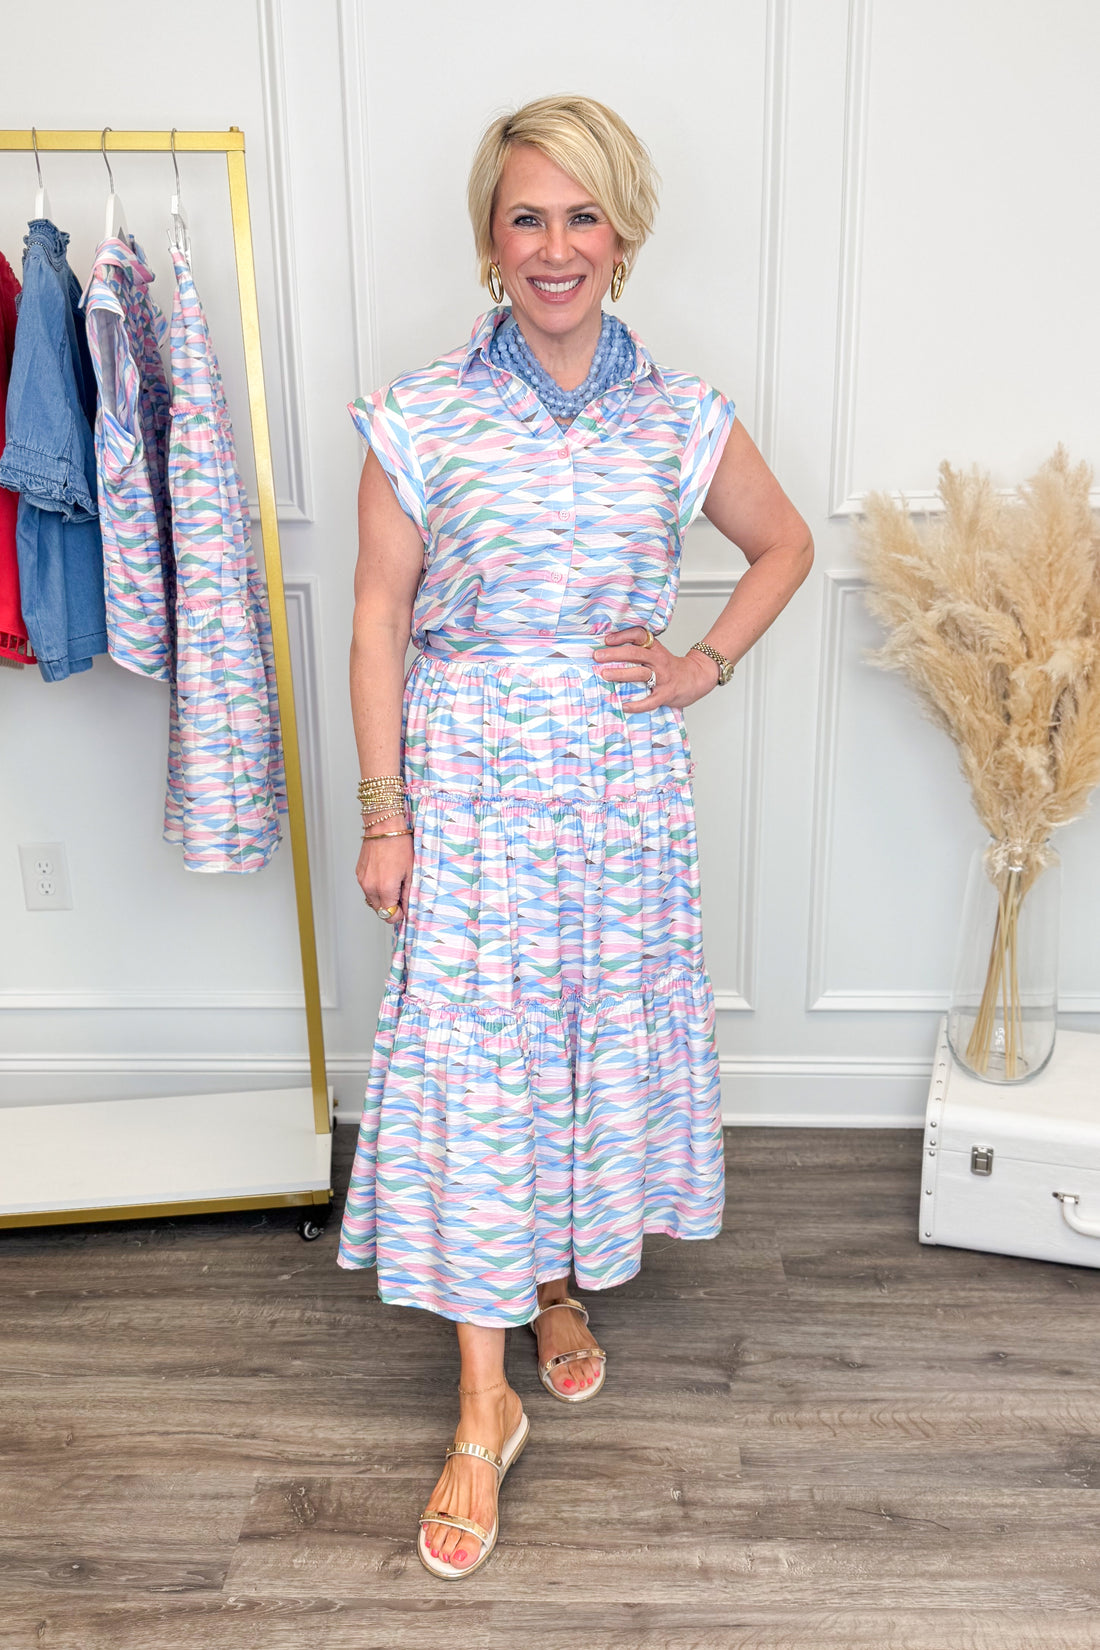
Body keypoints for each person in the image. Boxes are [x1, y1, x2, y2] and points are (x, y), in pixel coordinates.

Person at [336, 94, 812, 1579]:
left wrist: (699, 662)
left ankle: (552, 1281)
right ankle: (484, 1412)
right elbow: (373, 619)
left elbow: (788, 543)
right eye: (527, 216)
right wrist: (383, 810)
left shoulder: (680, 414)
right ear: (491, 237)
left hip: (617, 796)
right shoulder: (421, 413)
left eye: (582, 215)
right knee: (482, 1063)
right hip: (469, 788)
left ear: (624, 232)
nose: (556, 247)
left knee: (577, 1040)